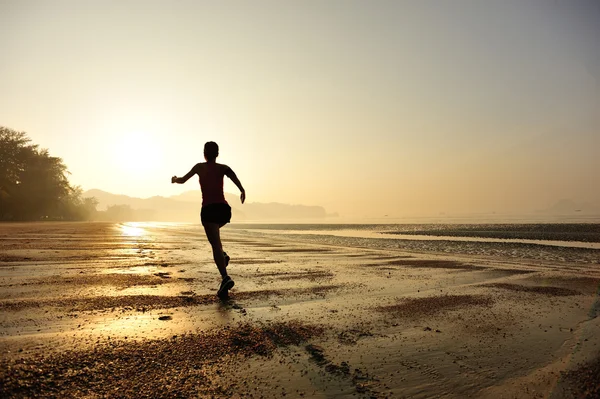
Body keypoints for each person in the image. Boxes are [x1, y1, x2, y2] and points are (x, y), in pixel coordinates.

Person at [171, 141, 245, 299]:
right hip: (224, 211)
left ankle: (225, 278)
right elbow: (234, 177)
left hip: (209, 210)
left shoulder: (199, 167)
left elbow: (183, 180)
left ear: (204, 153)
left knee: (215, 245)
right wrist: (242, 190)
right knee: (216, 240)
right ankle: (223, 257)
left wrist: (175, 179)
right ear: (217, 154)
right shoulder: (223, 167)